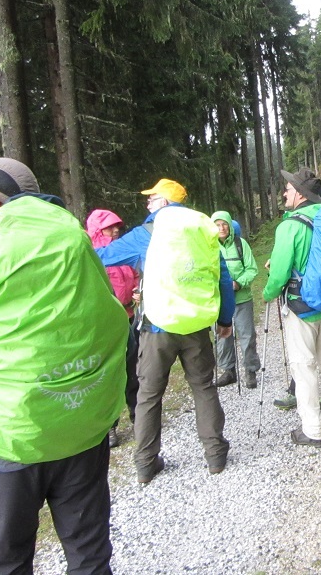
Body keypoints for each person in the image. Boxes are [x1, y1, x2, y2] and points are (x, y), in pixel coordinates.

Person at [0, 158, 128, 573]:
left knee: (9, 558)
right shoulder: (77, 248)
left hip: (8, 437)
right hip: (82, 424)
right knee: (89, 551)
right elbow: (113, 323)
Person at [96, 178, 235, 483]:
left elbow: (102, 257)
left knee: (148, 394)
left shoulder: (148, 232)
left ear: (166, 202)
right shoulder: (202, 229)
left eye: (153, 198)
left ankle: (146, 463)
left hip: (157, 326)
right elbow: (222, 277)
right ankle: (215, 456)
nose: (147, 203)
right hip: (196, 326)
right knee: (203, 388)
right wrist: (224, 320)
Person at [263, 168, 321, 447]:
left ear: (300, 194)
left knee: (304, 368)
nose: (284, 193)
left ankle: (313, 430)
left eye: (288, 189)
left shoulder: (290, 226)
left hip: (302, 307)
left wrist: (268, 293)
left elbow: (278, 273)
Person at [86, 209, 140, 447]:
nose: (116, 230)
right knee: (108, 375)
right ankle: (110, 428)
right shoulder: (92, 255)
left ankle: (139, 418)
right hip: (104, 324)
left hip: (128, 317)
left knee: (133, 370)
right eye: (109, 227)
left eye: (117, 225)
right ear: (98, 230)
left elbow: (134, 276)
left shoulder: (122, 249)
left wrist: (139, 290)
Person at [211, 210, 260, 389]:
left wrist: (238, 283)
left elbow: (252, 269)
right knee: (223, 336)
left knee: (247, 335)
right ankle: (228, 371)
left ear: (230, 226)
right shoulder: (209, 246)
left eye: (224, 224)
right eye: (217, 225)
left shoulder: (241, 244)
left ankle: (250, 370)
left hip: (241, 299)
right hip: (220, 301)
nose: (222, 228)